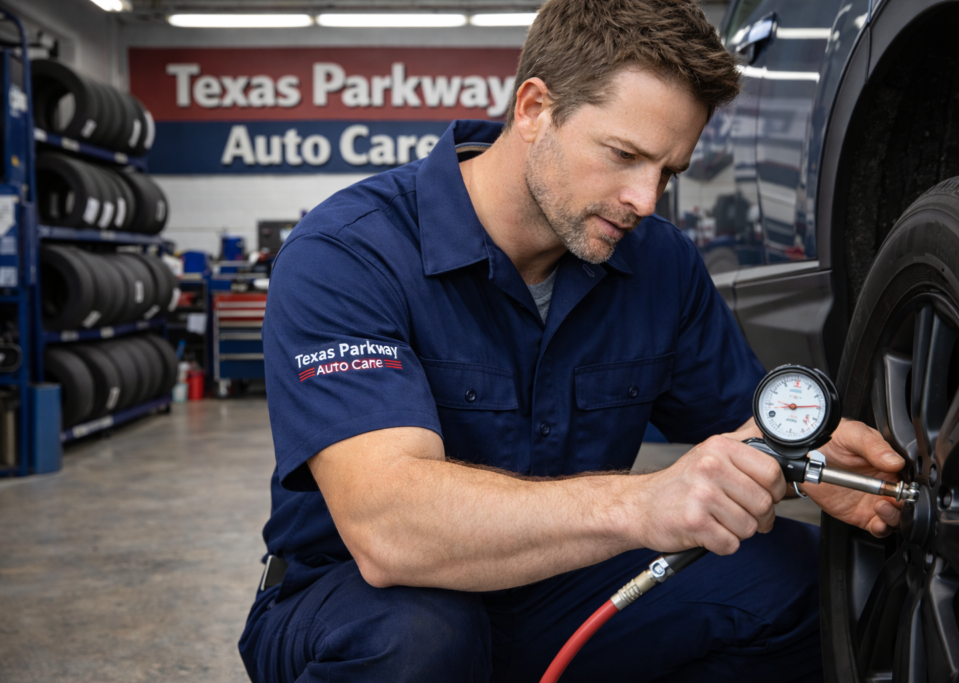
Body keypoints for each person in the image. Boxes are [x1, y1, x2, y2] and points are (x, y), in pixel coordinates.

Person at [239, 1, 907, 680]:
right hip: (357, 599)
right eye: (624, 155)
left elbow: (743, 424)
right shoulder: (350, 252)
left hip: (554, 589)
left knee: (797, 580)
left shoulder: (659, 264)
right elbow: (389, 530)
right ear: (533, 109)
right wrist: (643, 503)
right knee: (425, 638)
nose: (646, 199)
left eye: (668, 172)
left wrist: (811, 454)